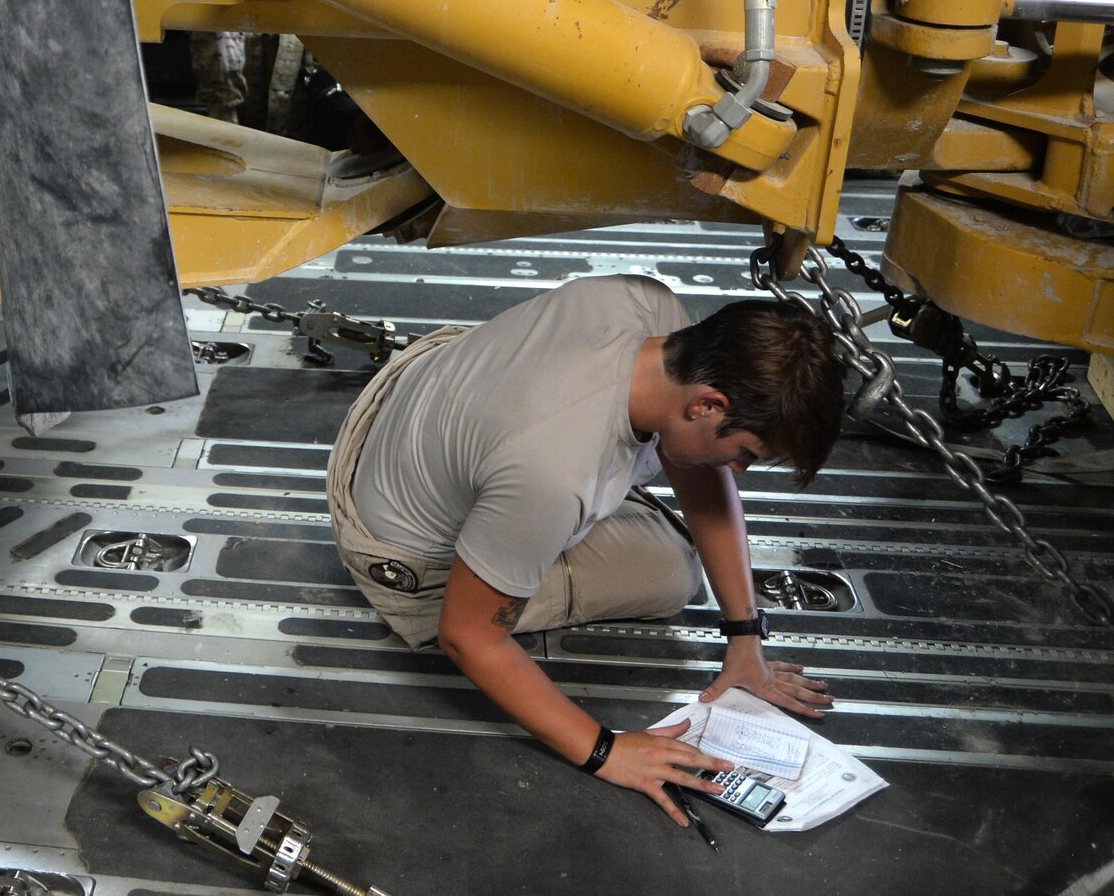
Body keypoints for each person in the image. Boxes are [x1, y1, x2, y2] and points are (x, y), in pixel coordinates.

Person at [326, 273, 844, 824]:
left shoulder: (653, 310)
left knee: (664, 477)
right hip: (398, 554)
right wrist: (607, 750)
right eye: (746, 453)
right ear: (707, 405)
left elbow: (701, 473)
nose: (739, 471)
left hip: (412, 396)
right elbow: (469, 635)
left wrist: (745, 638)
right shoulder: (552, 472)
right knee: (670, 573)